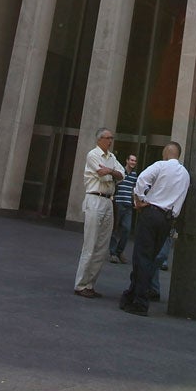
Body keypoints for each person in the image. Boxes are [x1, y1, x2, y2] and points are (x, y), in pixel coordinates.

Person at [120, 141, 190, 317]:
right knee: (150, 259)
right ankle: (132, 294)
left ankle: (139, 302)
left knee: (141, 257)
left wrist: (139, 199)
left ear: (166, 153)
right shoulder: (185, 174)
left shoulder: (161, 165)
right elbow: (180, 200)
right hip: (167, 220)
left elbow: (142, 180)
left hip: (151, 213)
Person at [73, 128, 124, 299]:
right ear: (100, 139)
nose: (110, 141)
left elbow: (121, 174)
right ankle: (80, 284)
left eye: (112, 138)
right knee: (90, 244)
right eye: (108, 138)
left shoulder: (112, 157)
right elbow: (103, 177)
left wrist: (109, 171)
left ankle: (90, 284)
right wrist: (112, 173)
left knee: (102, 246)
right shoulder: (92, 154)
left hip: (108, 200)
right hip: (95, 199)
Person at [108, 153, 138, 264]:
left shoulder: (134, 175)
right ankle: (113, 253)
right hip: (118, 203)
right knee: (115, 229)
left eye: (135, 161)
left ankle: (119, 251)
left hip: (128, 205)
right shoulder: (120, 172)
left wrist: (135, 201)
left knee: (126, 229)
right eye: (131, 160)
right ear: (127, 161)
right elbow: (114, 184)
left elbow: (134, 189)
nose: (133, 162)